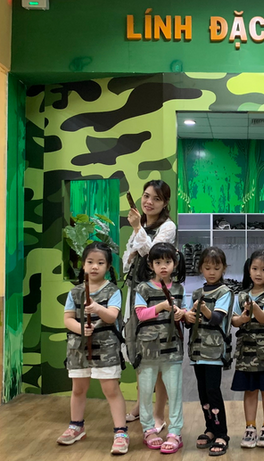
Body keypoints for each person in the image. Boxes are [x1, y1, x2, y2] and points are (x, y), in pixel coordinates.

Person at [57, 242, 129, 455]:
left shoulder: (113, 290)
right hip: (78, 348)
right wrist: (80, 329)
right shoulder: (75, 292)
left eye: (100, 263)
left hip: (106, 347)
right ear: (83, 265)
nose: (95, 266)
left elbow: (112, 316)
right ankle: (76, 427)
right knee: (78, 389)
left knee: (111, 389)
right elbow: (67, 319)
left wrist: (97, 308)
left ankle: (121, 432)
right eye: (90, 262)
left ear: (108, 266)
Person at [122, 180, 175, 425]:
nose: (148, 202)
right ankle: (140, 404)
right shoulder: (141, 225)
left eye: (156, 198)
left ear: (165, 203)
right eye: (146, 196)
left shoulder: (168, 227)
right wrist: (136, 238)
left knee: (159, 354)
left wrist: (136, 230)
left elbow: (152, 255)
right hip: (136, 291)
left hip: (156, 294)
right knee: (138, 350)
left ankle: (158, 413)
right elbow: (127, 260)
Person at [132, 242, 187, 454]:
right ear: (150, 264)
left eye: (167, 262)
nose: (163, 266)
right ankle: (148, 429)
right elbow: (141, 314)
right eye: (158, 262)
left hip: (172, 349)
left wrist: (181, 314)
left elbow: (182, 313)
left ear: (175, 263)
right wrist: (162, 306)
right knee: (146, 393)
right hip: (147, 350)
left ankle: (175, 432)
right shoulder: (142, 288)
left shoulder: (179, 288)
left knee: (175, 393)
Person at [231, 249, 264, 449]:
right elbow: (234, 320)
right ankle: (250, 428)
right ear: (248, 269)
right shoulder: (242, 294)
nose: (258, 273)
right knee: (250, 391)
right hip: (246, 352)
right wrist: (242, 318)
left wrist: (253, 308)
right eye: (254, 268)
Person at [185, 247, 233, 456]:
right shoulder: (197, 293)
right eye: (207, 268)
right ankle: (210, 428)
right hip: (197, 351)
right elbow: (189, 322)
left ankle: (222, 433)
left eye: (216, 267)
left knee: (213, 391)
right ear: (200, 269)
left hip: (213, 352)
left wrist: (202, 309)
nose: (212, 272)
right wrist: (187, 316)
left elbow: (216, 319)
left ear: (223, 268)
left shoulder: (225, 292)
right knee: (203, 392)